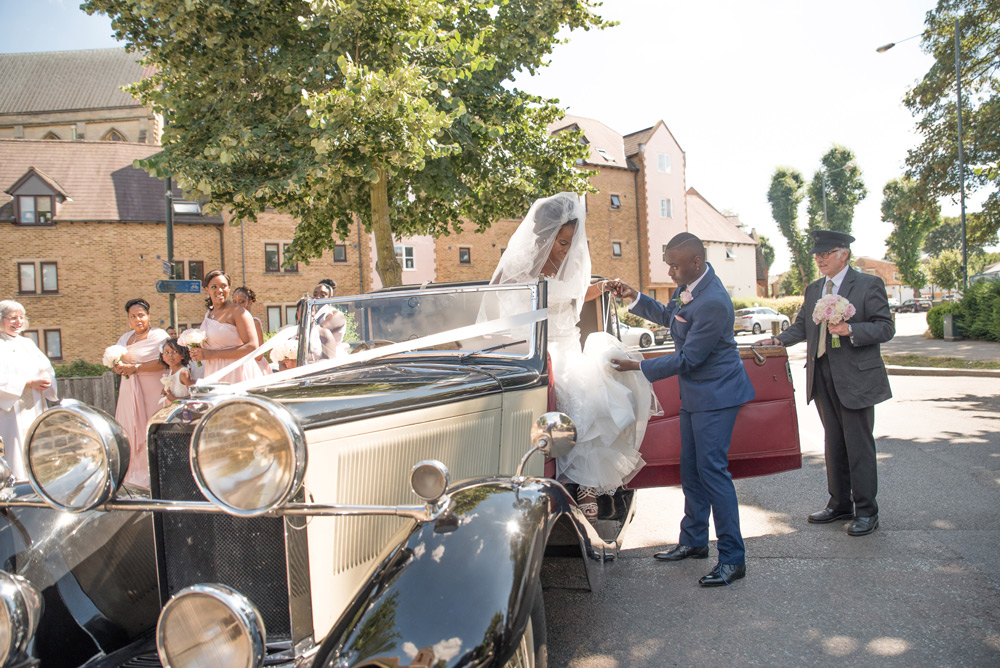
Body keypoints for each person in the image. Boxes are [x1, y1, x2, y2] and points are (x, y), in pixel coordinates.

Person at [491, 192, 652, 521]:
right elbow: (499, 296)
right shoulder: (523, 263)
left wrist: (602, 286)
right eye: (561, 242)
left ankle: (585, 483)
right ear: (545, 234)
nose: (567, 249)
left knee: (589, 391)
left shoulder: (573, 261)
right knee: (564, 386)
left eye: (570, 242)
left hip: (568, 343)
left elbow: (576, 292)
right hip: (536, 344)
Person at [609, 232, 755, 587]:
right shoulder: (689, 286)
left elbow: (689, 358)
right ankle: (693, 542)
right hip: (696, 396)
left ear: (696, 263)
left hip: (718, 397)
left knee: (713, 473)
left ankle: (733, 559)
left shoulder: (714, 301)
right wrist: (635, 298)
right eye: (668, 264)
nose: (670, 271)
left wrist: (638, 367)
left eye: (674, 265)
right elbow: (670, 316)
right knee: (691, 470)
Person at [769, 230, 894, 537]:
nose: (820, 259)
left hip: (856, 378)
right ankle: (839, 504)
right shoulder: (814, 289)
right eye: (817, 255)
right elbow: (801, 327)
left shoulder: (867, 284)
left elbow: (885, 327)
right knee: (834, 443)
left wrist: (849, 329)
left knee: (859, 446)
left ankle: (867, 511)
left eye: (826, 254)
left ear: (844, 254)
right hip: (822, 374)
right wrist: (776, 341)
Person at [112, 298, 169, 488]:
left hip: (153, 388)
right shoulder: (125, 338)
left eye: (141, 315)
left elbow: (164, 361)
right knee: (130, 429)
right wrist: (117, 366)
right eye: (133, 316)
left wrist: (135, 367)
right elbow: (115, 358)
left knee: (150, 426)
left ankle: (154, 474)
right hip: (131, 391)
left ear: (148, 316)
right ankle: (133, 474)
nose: (138, 320)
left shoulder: (158, 336)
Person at [0, 300, 57, 479]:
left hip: (35, 407)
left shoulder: (28, 343)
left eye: (21, 318)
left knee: (36, 448)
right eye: (13, 318)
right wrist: (27, 383)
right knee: (15, 451)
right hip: (10, 411)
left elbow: (46, 368)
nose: (18, 322)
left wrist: (47, 380)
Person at [189, 270, 263, 383]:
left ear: (229, 288)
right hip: (214, 371)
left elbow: (252, 347)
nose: (219, 290)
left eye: (223, 286)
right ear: (207, 289)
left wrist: (211, 355)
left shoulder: (238, 312)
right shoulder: (209, 314)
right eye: (214, 287)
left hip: (236, 372)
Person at [232, 286, 271, 375]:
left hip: (253, 368)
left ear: (250, 302)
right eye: (235, 302)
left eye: (242, 301)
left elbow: (259, 355)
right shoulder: (230, 324)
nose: (237, 305)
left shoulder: (255, 323)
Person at [159, 338, 194, 404]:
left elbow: (193, 395)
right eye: (167, 352)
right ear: (163, 357)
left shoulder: (183, 373)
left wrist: (175, 399)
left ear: (182, 355)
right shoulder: (171, 372)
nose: (170, 355)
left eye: (174, 352)